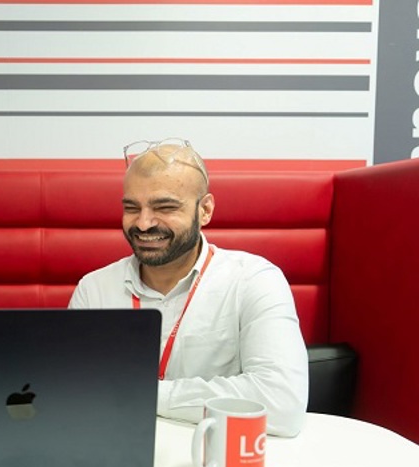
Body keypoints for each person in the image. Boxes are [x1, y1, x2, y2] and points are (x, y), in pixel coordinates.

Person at [68, 138, 308, 437]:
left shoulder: (254, 280)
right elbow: (74, 395)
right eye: (132, 208)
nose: (143, 223)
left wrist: (144, 393)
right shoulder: (94, 289)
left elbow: (282, 403)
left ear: (205, 210)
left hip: (216, 455)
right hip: (119, 449)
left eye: (165, 207)